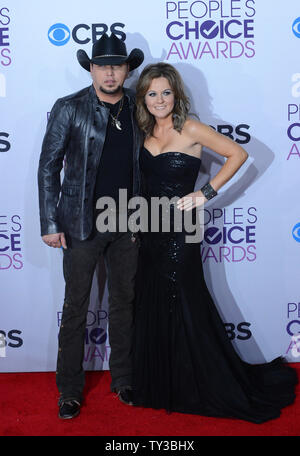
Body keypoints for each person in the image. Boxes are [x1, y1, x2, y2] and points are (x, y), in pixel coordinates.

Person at [131, 62, 297, 423]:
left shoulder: (188, 127)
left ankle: (200, 383)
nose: (160, 100)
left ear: (176, 94)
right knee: (154, 302)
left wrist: (205, 193)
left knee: (186, 301)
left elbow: (238, 154)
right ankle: (163, 382)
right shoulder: (141, 132)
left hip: (181, 231)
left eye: (166, 92)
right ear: (143, 98)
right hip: (148, 230)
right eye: (152, 93)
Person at [38, 33, 144, 419]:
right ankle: (68, 390)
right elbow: (48, 166)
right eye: (103, 65)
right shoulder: (69, 107)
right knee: (76, 307)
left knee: (124, 303)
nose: (111, 71)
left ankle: (125, 379)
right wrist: (50, 221)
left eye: (118, 64)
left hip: (129, 222)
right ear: (92, 68)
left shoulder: (140, 106)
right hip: (80, 223)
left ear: (128, 69)